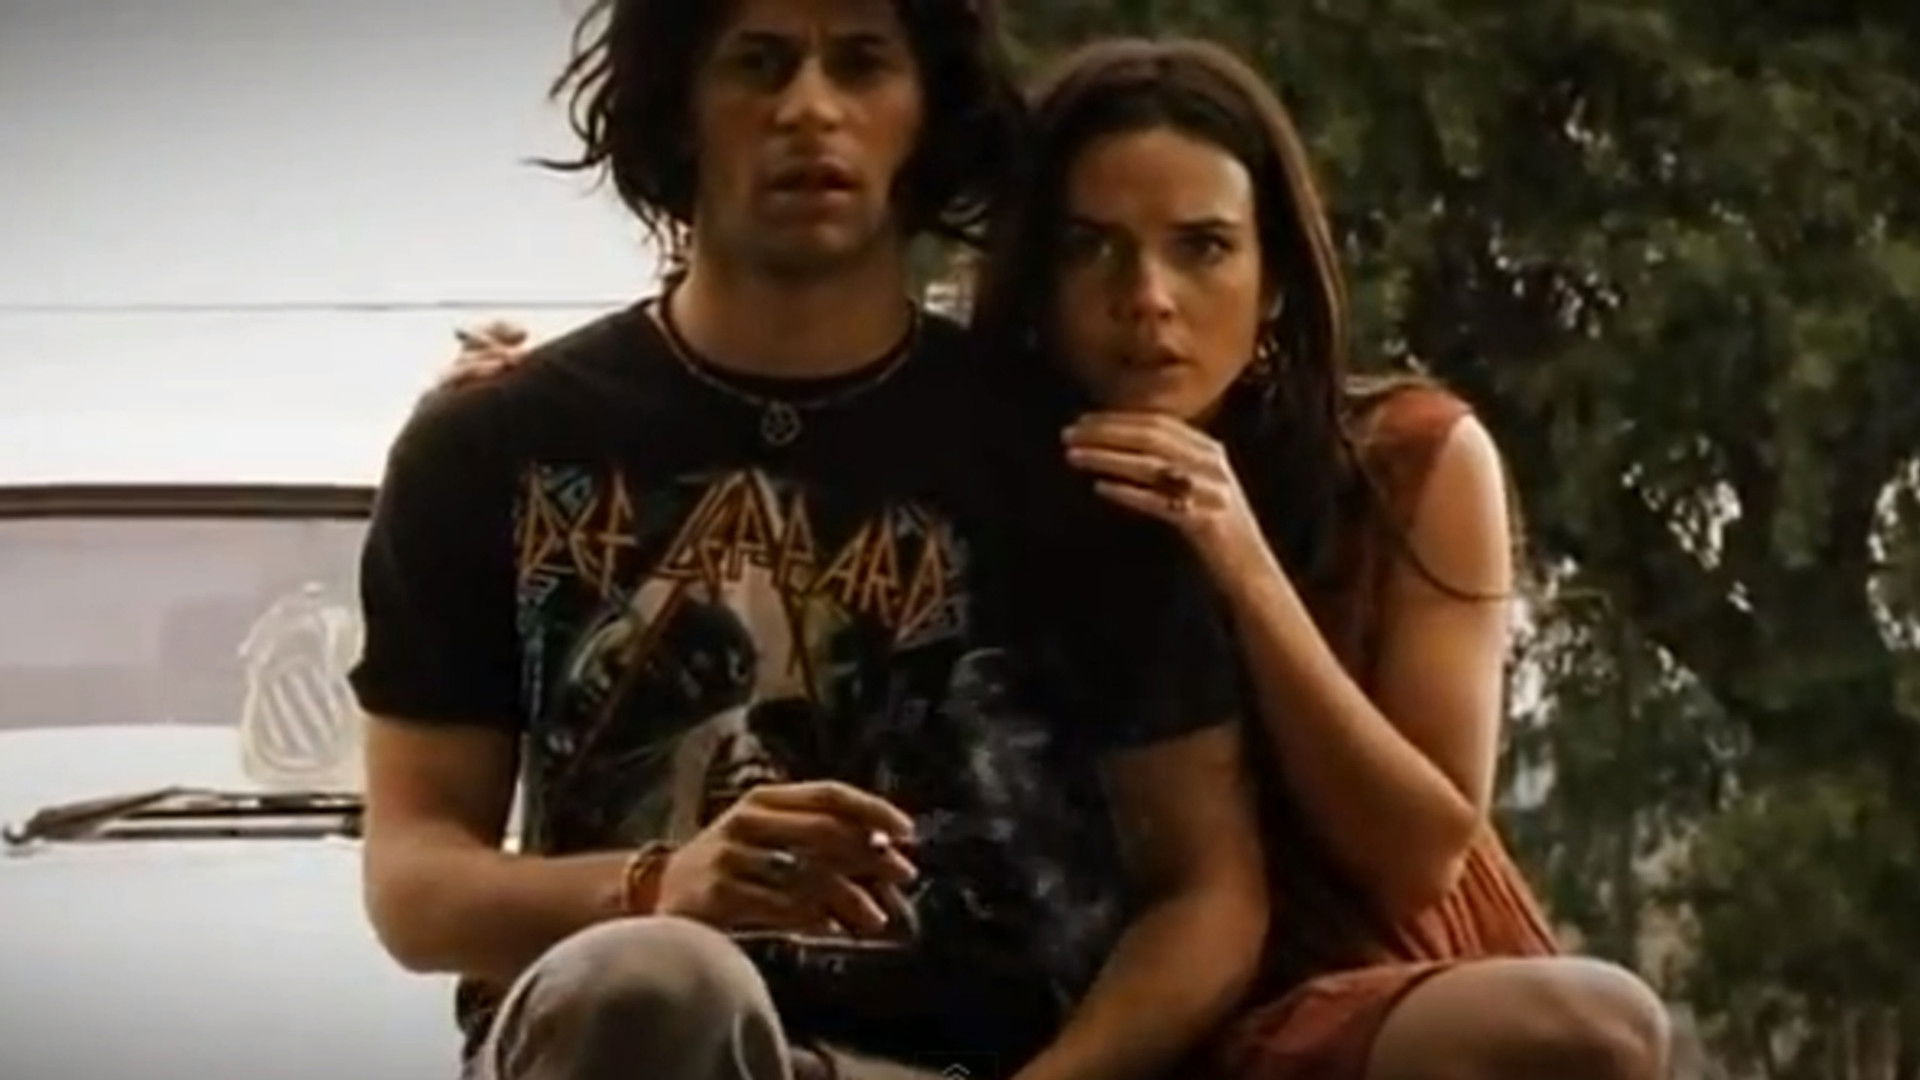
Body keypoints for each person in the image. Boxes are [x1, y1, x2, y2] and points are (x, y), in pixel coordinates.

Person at [351, 5, 1266, 1080]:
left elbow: (1209, 892)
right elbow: (413, 882)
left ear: (928, 113)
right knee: (656, 980)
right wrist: (659, 889)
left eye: (862, 64)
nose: (810, 108)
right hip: (624, 1043)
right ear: (679, 111)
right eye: (759, 63)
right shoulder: (491, 448)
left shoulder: (1067, 464)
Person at [971, 38, 1673, 1080]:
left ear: (1274, 283)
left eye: (1202, 248)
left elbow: (1421, 858)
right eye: (1092, 248)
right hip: (1100, 998)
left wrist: (1241, 560)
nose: (1148, 296)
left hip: (1363, 1001)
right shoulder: (973, 476)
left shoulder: (1408, 462)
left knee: (1598, 1022)